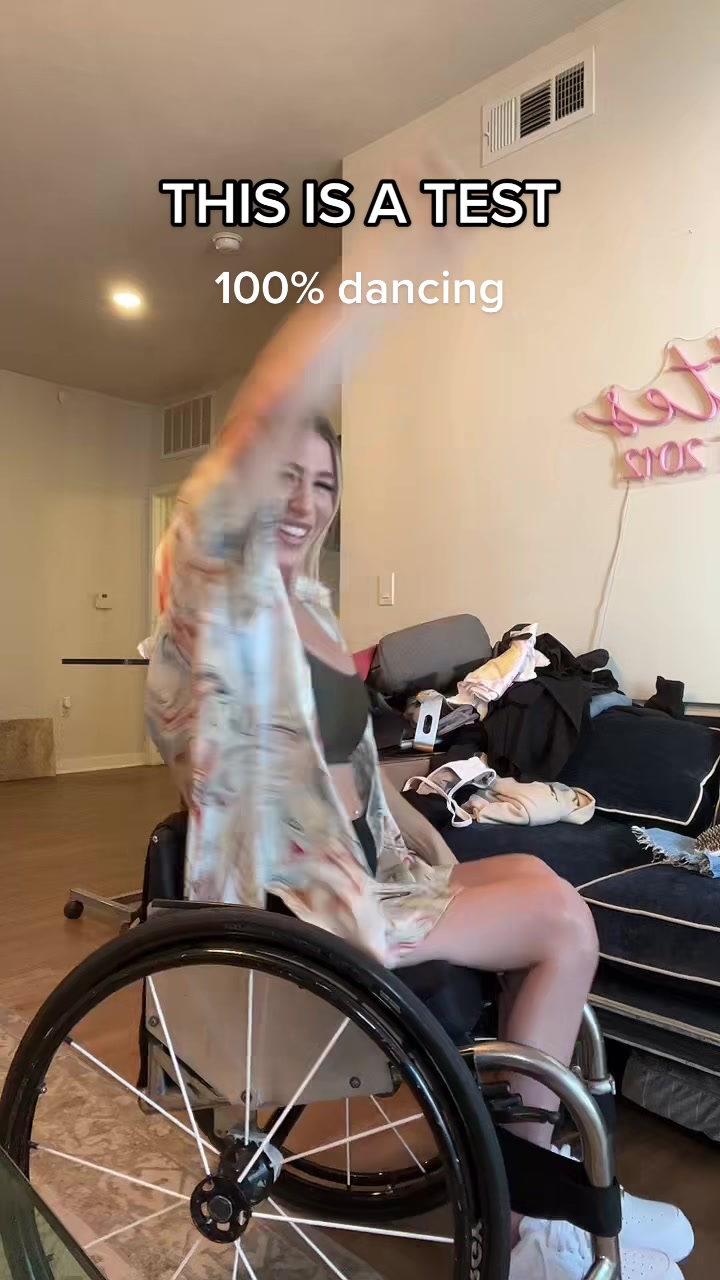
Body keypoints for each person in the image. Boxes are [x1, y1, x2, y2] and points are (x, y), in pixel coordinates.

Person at [144, 232, 692, 1279]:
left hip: (361, 878)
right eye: (283, 476)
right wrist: (381, 277)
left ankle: (546, 1180)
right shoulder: (213, 594)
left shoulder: (308, 608)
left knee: (534, 876)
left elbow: (353, 774)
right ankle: (527, 1217)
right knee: (560, 923)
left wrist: (429, 837)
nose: (305, 501)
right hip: (293, 905)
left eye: (324, 482)